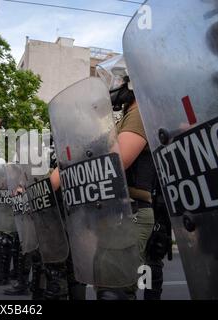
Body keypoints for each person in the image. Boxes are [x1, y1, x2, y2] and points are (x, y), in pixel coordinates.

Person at [95, 55, 156, 300]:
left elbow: (117, 162)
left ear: (132, 83)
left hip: (132, 211)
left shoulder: (140, 113)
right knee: (107, 285)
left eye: (118, 79)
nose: (114, 86)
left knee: (115, 290)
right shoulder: (127, 115)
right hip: (119, 212)